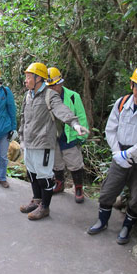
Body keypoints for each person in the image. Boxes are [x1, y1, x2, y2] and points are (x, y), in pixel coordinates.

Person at [87, 65, 137, 245]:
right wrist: (117, 152)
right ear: (131, 85)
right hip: (119, 155)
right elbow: (110, 129)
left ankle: (127, 227)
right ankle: (102, 221)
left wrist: (130, 153)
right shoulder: (122, 103)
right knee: (109, 190)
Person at [18, 62, 89, 221]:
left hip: (43, 143)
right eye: (26, 77)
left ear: (39, 78)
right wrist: (21, 136)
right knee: (32, 173)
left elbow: (61, 110)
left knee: (44, 176)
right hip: (29, 142)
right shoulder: (28, 95)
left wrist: (75, 124)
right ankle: (36, 200)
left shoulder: (50, 95)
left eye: (29, 77)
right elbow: (24, 117)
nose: (26, 80)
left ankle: (45, 207)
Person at [45, 67, 89, 203]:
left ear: (60, 83)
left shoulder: (72, 96)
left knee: (75, 163)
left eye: (55, 85)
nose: (53, 88)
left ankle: (78, 188)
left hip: (70, 136)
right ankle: (59, 183)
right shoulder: (45, 97)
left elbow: (81, 116)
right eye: (50, 86)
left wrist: (81, 137)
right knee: (56, 162)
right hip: (53, 136)